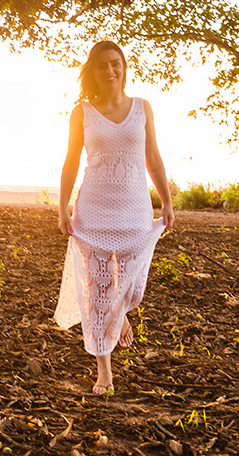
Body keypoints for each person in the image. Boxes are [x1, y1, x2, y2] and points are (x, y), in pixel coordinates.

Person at [55, 40, 175, 395]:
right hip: (93, 209)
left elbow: (153, 157)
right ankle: (103, 371)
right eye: (102, 65)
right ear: (92, 71)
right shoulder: (82, 113)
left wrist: (166, 201)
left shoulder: (143, 108)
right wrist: (62, 206)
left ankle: (120, 314)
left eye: (116, 64)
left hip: (136, 209)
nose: (110, 71)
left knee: (132, 285)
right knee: (98, 288)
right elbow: (71, 162)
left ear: (124, 67)